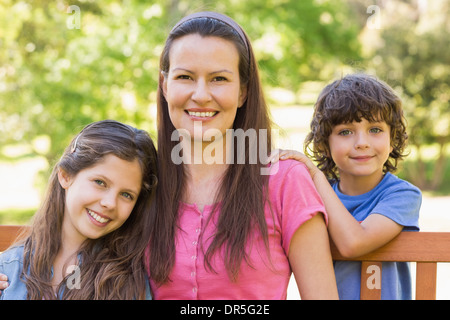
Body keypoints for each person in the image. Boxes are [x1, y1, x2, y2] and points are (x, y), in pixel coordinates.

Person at [145, 11, 338, 299]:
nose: (200, 94)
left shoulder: (284, 181)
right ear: (164, 85)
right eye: (185, 76)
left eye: (218, 79)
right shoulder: (143, 182)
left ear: (243, 92)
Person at [275, 73, 422, 299]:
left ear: (392, 138)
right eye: (345, 132)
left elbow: (354, 243)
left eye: (375, 129)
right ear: (324, 144)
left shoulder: (402, 195)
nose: (362, 143)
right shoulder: (313, 197)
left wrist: (314, 175)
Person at [0, 120, 157, 299]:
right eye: (100, 182)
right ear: (65, 175)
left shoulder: (130, 283)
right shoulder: (9, 270)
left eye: (126, 195)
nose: (110, 203)